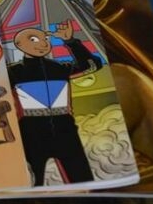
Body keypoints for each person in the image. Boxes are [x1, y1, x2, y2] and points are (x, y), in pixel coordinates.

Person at [7, 21, 101, 185]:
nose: (43, 43)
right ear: (19, 45)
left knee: (83, 179)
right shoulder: (14, 71)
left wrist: (70, 41)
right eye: (34, 39)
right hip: (32, 131)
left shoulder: (59, 68)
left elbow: (93, 65)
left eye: (45, 39)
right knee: (31, 182)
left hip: (65, 128)